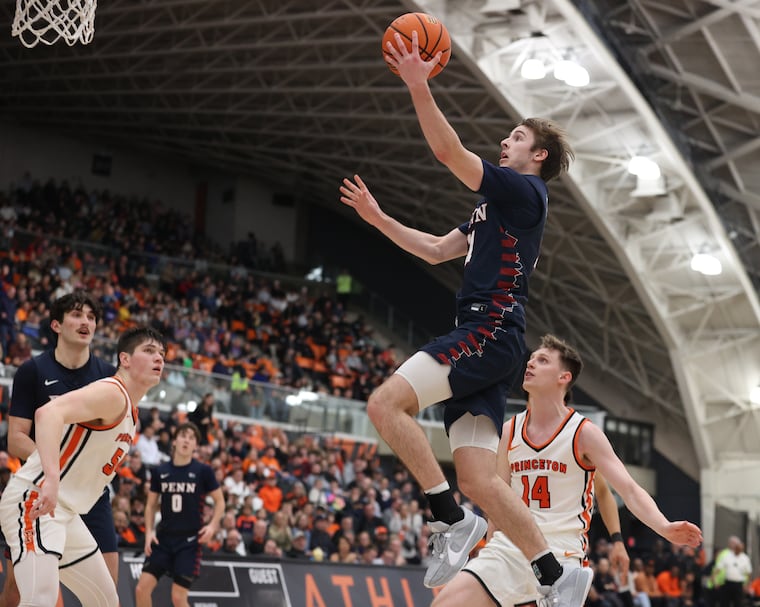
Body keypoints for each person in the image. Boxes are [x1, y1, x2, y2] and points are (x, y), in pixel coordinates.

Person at [339, 27, 581, 597]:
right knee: (478, 478)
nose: (504, 141)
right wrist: (378, 218)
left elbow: (450, 153)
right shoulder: (491, 208)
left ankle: (449, 518)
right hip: (497, 341)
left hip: (488, 329)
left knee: (385, 404)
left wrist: (418, 84)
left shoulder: (525, 193)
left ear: (538, 156)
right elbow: (432, 249)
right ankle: (556, 575)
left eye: (516, 137)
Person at [430, 334, 703, 607]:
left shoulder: (584, 433)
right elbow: (498, 502)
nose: (530, 363)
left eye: (543, 360)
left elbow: (628, 490)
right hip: (509, 550)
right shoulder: (509, 431)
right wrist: (492, 548)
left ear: (564, 377)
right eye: (532, 358)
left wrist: (663, 526)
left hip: (561, 555)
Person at [0, 326, 166, 607]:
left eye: (162, 353)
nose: (159, 358)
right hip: (35, 499)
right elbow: (47, 413)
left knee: (105, 601)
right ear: (124, 359)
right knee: (39, 599)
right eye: (149, 351)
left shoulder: (130, 411)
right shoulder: (113, 392)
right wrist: (52, 478)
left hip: (65, 511)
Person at [0, 291, 120, 607]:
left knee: (107, 588)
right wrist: (58, 468)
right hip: (41, 488)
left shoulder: (108, 377)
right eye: (77, 315)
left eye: (91, 317)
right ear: (56, 325)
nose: (86, 322)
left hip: (90, 494)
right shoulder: (32, 371)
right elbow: (16, 439)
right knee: (17, 588)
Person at [134, 421, 224, 607]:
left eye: (191, 438)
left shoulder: (203, 471)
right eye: (183, 436)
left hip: (189, 542)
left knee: (178, 598)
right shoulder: (160, 471)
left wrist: (212, 526)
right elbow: (150, 505)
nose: (186, 440)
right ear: (174, 441)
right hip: (163, 539)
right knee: (141, 589)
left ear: (195, 445)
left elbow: (220, 501)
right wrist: (149, 532)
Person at [713, 536, 752, 607]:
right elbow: (718, 568)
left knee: (738, 603)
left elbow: (749, 573)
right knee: (724, 603)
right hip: (728, 583)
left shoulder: (745, 558)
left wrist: (747, 585)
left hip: (739, 584)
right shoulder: (727, 556)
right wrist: (715, 580)